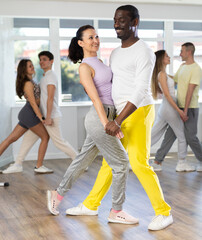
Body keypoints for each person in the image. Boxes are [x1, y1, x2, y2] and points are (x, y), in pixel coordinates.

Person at [65, 5, 173, 231]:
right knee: (110, 162)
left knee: (138, 162)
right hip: (119, 114)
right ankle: (91, 204)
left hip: (138, 112)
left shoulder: (143, 51)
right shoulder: (115, 52)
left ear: (135, 22)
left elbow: (141, 90)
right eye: (115, 20)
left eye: (122, 20)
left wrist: (118, 120)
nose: (117, 24)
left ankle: (163, 212)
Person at [47, 25, 138, 225]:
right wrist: (108, 124)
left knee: (82, 161)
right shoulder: (84, 67)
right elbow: (96, 99)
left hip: (108, 113)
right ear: (81, 43)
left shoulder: (100, 62)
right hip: (100, 117)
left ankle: (57, 194)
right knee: (121, 163)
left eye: (96, 36)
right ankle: (116, 211)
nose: (95, 40)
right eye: (90, 37)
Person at [3, 51, 77, 174]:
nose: (41, 62)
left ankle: (78, 161)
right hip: (35, 115)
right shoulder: (43, 78)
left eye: (44, 59)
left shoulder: (50, 76)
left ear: (51, 61)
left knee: (55, 141)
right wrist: (41, 114)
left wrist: (46, 117)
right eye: (40, 60)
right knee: (31, 139)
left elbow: (49, 98)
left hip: (49, 116)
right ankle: (23, 164)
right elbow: (39, 100)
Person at [153, 43, 202, 172]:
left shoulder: (196, 69)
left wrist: (184, 110)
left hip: (189, 107)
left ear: (188, 52)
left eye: (181, 51)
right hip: (175, 107)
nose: (179, 54)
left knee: (187, 136)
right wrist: (159, 76)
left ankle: (158, 161)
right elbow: (173, 81)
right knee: (176, 136)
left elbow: (190, 91)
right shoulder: (181, 67)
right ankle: (169, 161)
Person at [0, 59, 50, 172]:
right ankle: (39, 166)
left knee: (10, 139)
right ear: (24, 70)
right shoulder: (28, 83)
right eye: (29, 66)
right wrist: (41, 117)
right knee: (45, 137)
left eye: (32, 65)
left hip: (27, 114)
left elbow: (37, 99)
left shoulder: (31, 81)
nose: (32, 67)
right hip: (29, 114)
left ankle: (25, 165)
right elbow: (33, 103)